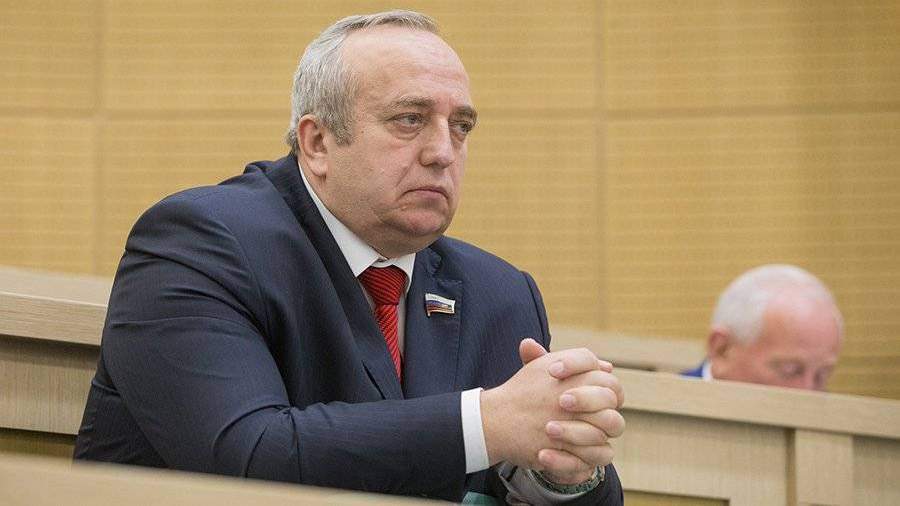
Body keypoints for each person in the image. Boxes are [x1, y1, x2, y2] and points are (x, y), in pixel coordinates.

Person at [74, 10, 625, 504]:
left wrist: (561, 472)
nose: (442, 152)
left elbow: (531, 465)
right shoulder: (199, 244)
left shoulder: (499, 293)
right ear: (317, 143)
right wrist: (488, 423)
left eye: (460, 127)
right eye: (409, 120)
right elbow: (248, 456)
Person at [683, 264, 842, 391]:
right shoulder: (670, 411)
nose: (808, 391)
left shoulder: (832, 419)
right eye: (790, 370)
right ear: (722, 349)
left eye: (821, 376)